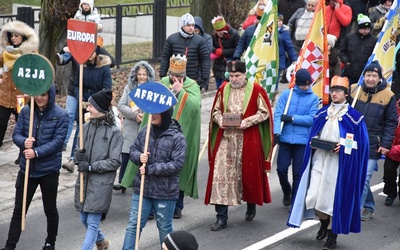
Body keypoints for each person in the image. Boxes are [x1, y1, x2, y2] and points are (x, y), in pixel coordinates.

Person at [288, 76, 369, 250]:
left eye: (339, 90)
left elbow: (361, 145)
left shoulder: (354, 118)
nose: (334, 93)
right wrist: (315, 141)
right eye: (332, 90)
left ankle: (332, 234)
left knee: (331, 200)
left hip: (338, 164)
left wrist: (344, 146)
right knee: (313, 196)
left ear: (346, 94)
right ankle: (324, 224)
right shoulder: (321, 113)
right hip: (320, 159)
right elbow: (314, 133)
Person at [121, 55, 201, 219]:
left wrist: (181, 92)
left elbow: (195, 107)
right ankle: (150, 207)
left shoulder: (192, 86)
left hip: (180, 135)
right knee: (153, 165)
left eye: (179, 76)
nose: (175, 79)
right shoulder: (163, 83)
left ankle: (177, 206)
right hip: (158, 135)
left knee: (176, 169)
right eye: (173, 75)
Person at [205, 60, 273, 231]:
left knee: (248, 174)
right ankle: (221, 217)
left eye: (237, 76)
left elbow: (264, 112)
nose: (234, 79)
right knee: (220, 176)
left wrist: (247, 121)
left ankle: (251, 204)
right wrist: (220, 120)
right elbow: (215, 111)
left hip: (247, 137)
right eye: (232, 76)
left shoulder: (256, 90)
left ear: (244, 75)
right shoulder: (223, 89)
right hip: (226, 139)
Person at [1, 85, 68, 250]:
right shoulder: (26, 111)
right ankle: (10, 246)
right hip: (27, 170)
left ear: (50, 95)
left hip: (49, 170)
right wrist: (23, 142)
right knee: (19, 210)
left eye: (44, 95)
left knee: (50, 208)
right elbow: (16, 134)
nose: (39, 98)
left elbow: (58, 142)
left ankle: (50, 242)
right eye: (37, 94)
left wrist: (36, 152)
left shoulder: (61, 115)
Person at [122, 109, 187, 249]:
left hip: (165, 193)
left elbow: (177, 165)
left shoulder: (177, 137)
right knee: (134, 225)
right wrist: (139, 156)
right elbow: (133, 149)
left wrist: (151, 169)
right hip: (142, 190)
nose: (152, 116)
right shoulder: (145, 131)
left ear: (166, 115)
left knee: (164, 227)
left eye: (157, 113)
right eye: (151, 113)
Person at [73, 89, 123, 250]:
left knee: (92, 223)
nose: (87, 109)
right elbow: (76, 153)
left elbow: (115, 161)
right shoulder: (85, 127)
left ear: (100, 109)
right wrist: (78, 158)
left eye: (91, 106)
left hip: (101, 184)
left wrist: (91, 166)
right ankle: (102, 241)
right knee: (83, 219)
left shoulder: (114, 132)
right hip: (84, 182)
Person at [349, 60, 397, 221]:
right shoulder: (355, 91)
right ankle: (369, 206)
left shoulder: (388, 95)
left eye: (374, 76)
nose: (370, 78)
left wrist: (385, 144)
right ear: (364, 76)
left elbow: (391, 122)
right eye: (368, 75)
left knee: (364, 177)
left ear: (379, 78)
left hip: (373, 143)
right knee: (357, 176)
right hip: (354, 141)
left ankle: (354, 212)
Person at [62, 45, 112, 173]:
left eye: (92, 52)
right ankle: (73, 159)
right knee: (80, 131)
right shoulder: (82, 66)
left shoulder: (104, 68)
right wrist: (82, 100)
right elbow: (77, 85)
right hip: (84, 104)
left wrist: (93, 102)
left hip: (98, 105)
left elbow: (106, 88)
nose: (89, 55)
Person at [273, 69, 319, 207]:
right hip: (286, 139)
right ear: (296, 83)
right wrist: (276, 132)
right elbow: (278, 114)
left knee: (298, 173)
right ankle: (286, 191)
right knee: (281, 169)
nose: (305, 87)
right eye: (302, 85)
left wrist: (292, 118)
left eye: (307, 84)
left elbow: (312, 119)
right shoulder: (287, 95)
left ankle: (295, 200)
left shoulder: (314, 98)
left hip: (302, 141)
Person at [113, 61, 156, 193]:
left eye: (144, 74)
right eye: (139, 74)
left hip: (147, 127)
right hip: (131, 126)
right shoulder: (129, 88)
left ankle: (142, 182)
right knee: (127, 154)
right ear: (135, 75)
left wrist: (147, 116)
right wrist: (135, 115)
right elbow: (121, 106)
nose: (142, 77)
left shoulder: (152, 89)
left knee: (144, 155)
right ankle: (123, 181)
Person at [0, 20, 38, 164]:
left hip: (22, 97)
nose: (14, 38)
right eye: (12, 35)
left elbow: (37, 72)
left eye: (17, 35)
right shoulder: (5, 52)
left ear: (23, 37)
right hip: (4, 95)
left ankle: (23, 154)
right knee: (0, 123)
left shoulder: (31, 53)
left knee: (22, 125)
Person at [159, 13, 210, 91]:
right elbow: (165, 57)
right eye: (188, 25)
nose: (191, 28)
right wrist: (162, 75)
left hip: (193, 78)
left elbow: (205, 59)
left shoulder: (200, 40)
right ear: (182, 26)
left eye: (193, 25)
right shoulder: (172, 39)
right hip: (175, 78)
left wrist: (205, 78)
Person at [57, 0, 103, 64]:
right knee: (72, 49)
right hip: (80, 37)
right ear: (81, 5)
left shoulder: (95, 15)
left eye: (87, 5)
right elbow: (74, 24)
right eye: (84, 4)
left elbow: (100, 27)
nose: (86, 6)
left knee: (95, 46)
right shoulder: (78, 14)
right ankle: (63, 58)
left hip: (91, 38)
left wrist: (98, 27)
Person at [340, 14, 376, 84]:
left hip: (364, 72)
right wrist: (347, 62)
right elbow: (342, 51)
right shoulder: (349, 38)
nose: (366, 31)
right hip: (349, 72)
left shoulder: (374, 40)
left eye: (368, 29)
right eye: (364, 29)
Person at [211, 15, 240, 89]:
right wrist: (215, 50)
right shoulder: (214, 35)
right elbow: (210, 46)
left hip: (231, 62)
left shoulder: (234, 34)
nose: (219, 34)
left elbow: (238, 49)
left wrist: (223, 52)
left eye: (221, 32)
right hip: (218, 65)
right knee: (219, 87)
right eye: (217, 32)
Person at [382, 100, 400, 206]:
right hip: (391, 148)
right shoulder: (392, 109)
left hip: (393, 149)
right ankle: (391, 193)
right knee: (388, 174)